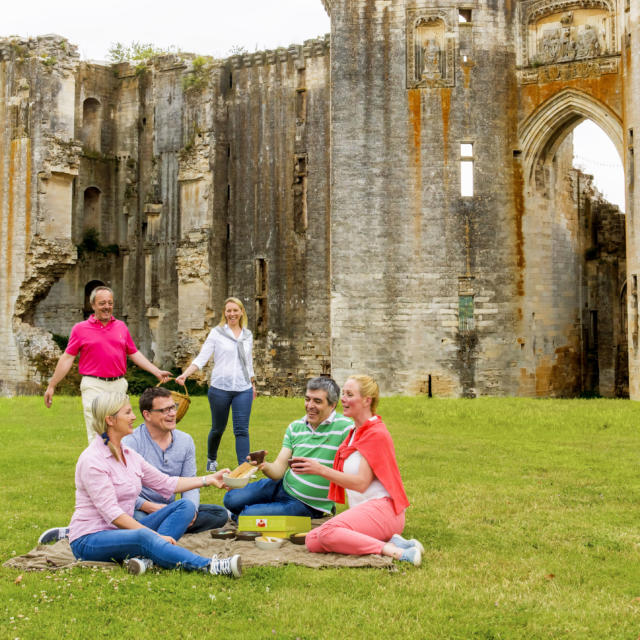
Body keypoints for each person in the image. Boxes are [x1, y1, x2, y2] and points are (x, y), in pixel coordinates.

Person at [67, 391, 241, 577]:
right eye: (127, 413)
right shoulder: (93, 460)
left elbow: (165, 483)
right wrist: (156, 536)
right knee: (144, 536)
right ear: (110, 420)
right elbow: (113, 514)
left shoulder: (127, 453)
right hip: (90, 539)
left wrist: (209, 479)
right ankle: (210, 566)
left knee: (185, 505)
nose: (134, 417)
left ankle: (149, 558)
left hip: (121, 530)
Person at [300, 375, 423, 566]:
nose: (343, 399)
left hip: (384, 510)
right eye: (343, 394)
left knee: (326, 532)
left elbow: (361, 483)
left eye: (350, 395)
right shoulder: (355, 433)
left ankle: (394, 551)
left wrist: (320, 470)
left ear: (367, 400)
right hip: (367, 512)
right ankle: (393, 541)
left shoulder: (375, 433)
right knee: (312, 540)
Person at [44, 286, 172, 443]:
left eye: (110, 303)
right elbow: (67, 358)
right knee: (97, 432)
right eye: (102, 303)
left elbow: (133, 353)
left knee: (121, 430)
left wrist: (156, 371)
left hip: (118, 385)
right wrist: (52, 385)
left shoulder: (121, 327)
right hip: (93, 385)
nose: (107, 307)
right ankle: (96, 466)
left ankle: (117, 466)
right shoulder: (80, 329)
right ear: (93, 305)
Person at [223, 377, 353, 518]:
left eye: (317, 401)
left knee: (247, 515)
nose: (310, 405)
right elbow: (279, 469)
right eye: (307, 399)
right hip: (283, 485)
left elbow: (354, 475)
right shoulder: (295, 427)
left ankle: (245, 516)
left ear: (332, 405)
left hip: (308, 504)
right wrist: (263, 465)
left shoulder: (345, 428)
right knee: (230, 499)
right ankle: (256, 512)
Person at [122, 386, 228, 533]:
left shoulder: (185, 440)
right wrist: (149, 506)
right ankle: (170, 527)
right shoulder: (131, 442)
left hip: (172, 508)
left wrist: (191, 510)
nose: (172, 414)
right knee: (134, 519)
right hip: (141, 508)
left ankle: (166, 527)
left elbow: (190, 481)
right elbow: (124, 490)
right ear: (147, 415)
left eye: (173, 407)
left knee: (219, 514)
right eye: (165, 410)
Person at [176, 297, 256, 472]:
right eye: (229, 311)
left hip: (243, 389)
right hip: (220, 389)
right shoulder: (217, 333)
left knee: (241, 430)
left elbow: (248, 362)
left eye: (235, 310)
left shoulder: (248, 335)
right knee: (218, 428)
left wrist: (253, 383)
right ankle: (212, 459)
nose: (232, 314)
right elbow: (202, 358)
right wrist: (185, 375)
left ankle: (244, 468)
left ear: (241, 312)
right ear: (224, 313)